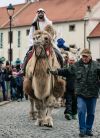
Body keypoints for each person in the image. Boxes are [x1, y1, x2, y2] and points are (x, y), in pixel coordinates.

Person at [50, 48, 100, 137]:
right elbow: (66, 71)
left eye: (86, 56)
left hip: (93, 94)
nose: (84, 58)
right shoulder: (76, 65)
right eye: (83, 56)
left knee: (91, 113)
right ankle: (82, 130)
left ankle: (88, 129)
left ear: (90, 56)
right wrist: (56, 71)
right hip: (81, 94)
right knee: (81, 111)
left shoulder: (96, 65)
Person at [22, 8, 52, 73]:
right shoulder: (34, 24)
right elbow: (30, 35)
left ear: (44, 14)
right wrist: (32, 43)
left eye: (42, 12)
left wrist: (49, 40)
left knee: (57, 53)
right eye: (39, 13)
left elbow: (51, 33)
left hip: (46, 43)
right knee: (28, 54)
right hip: (37, 43)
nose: (40, 14)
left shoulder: (48, 23)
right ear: (37, 14)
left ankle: (60, 68)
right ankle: (23, 69)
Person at [64, 56, 77, 120]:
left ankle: (74, 113)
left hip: (76, 88)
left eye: (73, 60)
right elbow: (62, 72)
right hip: (68, 87)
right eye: (70, 60)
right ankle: (68, 113)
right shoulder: (66, 68)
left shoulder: (78, 68)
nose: (71, 61)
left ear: (75, 61)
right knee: (68, 101)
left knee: (74, 101)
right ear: (68, 61)